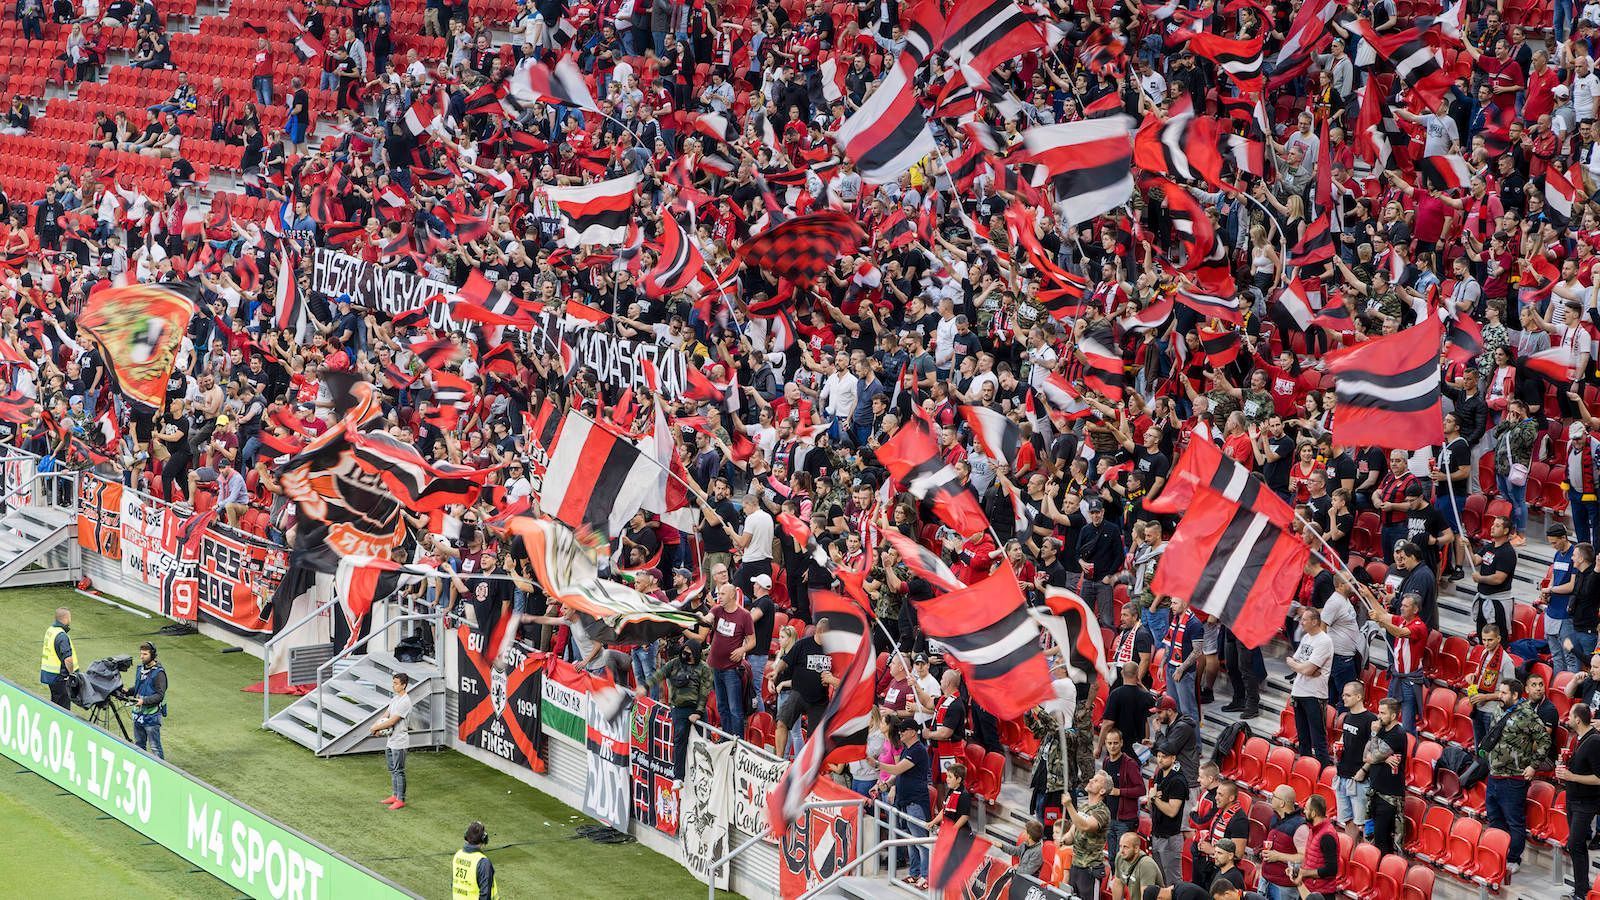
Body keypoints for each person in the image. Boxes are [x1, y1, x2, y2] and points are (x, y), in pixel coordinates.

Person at [1482, 678, 1552, 874]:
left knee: (1514, 821)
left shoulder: (1528, 715)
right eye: (1500, 692)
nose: (1500, 696)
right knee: (1495, 818)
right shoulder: (1498, 708)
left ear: (1515, 695)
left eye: (1504, 693)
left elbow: (1545, 740)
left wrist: (1533, 766)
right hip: (1494, 774)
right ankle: (1499, 853)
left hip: (1514, 778)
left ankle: (1514, 859)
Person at [876, 719, 931, 889]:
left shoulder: (918, 751)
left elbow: (897, 769)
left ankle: (926, 875)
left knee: (920, 840)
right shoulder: (908, 748)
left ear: (913, 732)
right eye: (899, 730)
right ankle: (914, 873)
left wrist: (877, 764)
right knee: (910, 839)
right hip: (905, 801)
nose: (899, 733)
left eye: (903, 730)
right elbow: (899, 774)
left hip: (916, 801)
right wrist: (887, 785)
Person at [645, 641, 711, 779]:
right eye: (684, 650)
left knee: (705, 742)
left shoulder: (704, 668)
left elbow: (704, 692)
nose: (685, 653)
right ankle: (678, 777)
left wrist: (698, 712)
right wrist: (645, 686)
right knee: (679, 740)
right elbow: (659, 675)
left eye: (689, 651)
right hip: (679, 708)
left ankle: (706, 774)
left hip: (697, 709)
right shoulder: (675, 663)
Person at [1559, 703, 1600, 893]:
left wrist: (1572, 777)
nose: (1567, 718)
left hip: (1586, 802)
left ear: (1577, 719)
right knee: (1576, 846)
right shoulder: (1578, 738)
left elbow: (1599, 778)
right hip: (1573, 798)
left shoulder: (1594, 741)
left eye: (1570, 715)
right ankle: (1581, 888)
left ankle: (1581, 891)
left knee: (1576, 845)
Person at [704, 583, 754, 741]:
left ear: (732, 595)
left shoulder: (744, 615)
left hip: (731, 669)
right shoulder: (717, 610)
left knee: (735, 709)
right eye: (719, 594)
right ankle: (726, 737)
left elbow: (752, 641)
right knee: (722, 707)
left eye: (723, 594)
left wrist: (741, 650)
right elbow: (708, 618)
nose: (719, 597)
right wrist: (702, 619)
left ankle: (738, 742)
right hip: (715, 667)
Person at [1286, 606, 1333, 765]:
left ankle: (1324, 774)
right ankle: (1306, 770)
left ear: (1314, 621)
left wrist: (1304, 668)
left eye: (1305, 619)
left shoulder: (1324, 641)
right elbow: (1291, 660)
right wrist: (1305, 668)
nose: (1301, 622)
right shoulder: (1306, 638)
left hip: (1315, 695)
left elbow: (1307, 668)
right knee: (1303, 738)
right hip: (1299, 692)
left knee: (1318, 739)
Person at [1361, 698, 1408, 854]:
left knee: (1383, 841)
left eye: (1383, 713)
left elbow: (1373, 757)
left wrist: (1374, 736)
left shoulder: (1398, 734)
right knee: (1374, 837)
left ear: (1393, 716)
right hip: (1376, 791)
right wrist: (1384, 757)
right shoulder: (1381, 729)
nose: (1378, 716)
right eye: (1378, 712)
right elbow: (1365, 756)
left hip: (1389, 796)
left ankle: (1386, 872)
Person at [1333, 681, 1374, 840]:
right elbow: (1345, 739)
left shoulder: (1370, 720)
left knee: (1363, 823)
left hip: (1359, 780)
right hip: (1342, 775)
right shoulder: (1347, 717)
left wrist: (1364, 770)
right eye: (1343, 694)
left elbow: (1376, 750)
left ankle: (1365, 859)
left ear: (1359, 697)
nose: (1344, 698)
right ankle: (1350, 855)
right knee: (1348, 821)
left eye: (1348, 695)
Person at [1063, 770, 1112, 900]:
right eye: (1092, 778)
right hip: (1075, 866)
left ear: (1102, 791)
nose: (1090, 780)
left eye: (1095, 781)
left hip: (1090, 869)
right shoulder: (1084, 806)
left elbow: (1085, 826)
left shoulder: (1102, 812)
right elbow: (1073, 833)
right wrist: (1064, 839)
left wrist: (1069, 806)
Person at [370, 672, 414, 810]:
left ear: (404, 685)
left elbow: (392, 721)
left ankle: (401, 799)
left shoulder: (405, 702)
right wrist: (376, 727)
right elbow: (386, 715)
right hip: (391, 740)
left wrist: (375, 727)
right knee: (392, 770)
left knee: (399, 770)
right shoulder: (395, 699)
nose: (393, 685)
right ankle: (395, 795)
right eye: (393, 682)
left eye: (396, 683)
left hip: (400, 741)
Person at [1146, 741, 1189, 884]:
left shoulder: (1177, 780)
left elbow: (1172, 811)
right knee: (1159, 879)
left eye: (1164, 756)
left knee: (1173, 881)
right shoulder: (1160, 775)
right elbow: (1152, 804)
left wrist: (1154, 799)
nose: (1159, 759)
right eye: (1158, 756)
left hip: (1170, 838)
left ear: (1173, 758)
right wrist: (1151, 800)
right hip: (1157, 834)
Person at [1258, 785, 1306, 900]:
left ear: (1282, 803)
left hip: (1283, 887)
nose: (1270, 797)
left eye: (1274, 796)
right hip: (1265, 880)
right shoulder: (1275, 818)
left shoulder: (1300, 826)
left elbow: (1304, 858)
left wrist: (1278, 856)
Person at [129, 640, 168, 759]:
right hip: (138, 715)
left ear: (153, 654)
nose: (142, 657)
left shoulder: (159, 673)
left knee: (155, 747)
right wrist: (128, 690)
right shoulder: (140, 669)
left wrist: (143, 701)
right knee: (139, 745)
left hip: (151, 716)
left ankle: (161, 770)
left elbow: (160, 695)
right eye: (141, 654)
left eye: (145, 654)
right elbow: (139, 687)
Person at [40, 606, 76, 709]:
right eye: (69, 617)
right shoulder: (61, 636)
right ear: (65, 619)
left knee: (55, 702)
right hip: (60, 677)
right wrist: (72, 674)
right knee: (62, 707)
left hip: (50, 676)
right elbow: (68, 659)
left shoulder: (51, 630)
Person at [1109, 831, 1163, 900]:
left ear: (1136, 849)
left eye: (1125, 847)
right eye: (1120, 846)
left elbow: (1146, 896)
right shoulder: (1120, 857)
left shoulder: (1146, 864)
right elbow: (1118, 883)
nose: (1121, 851)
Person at [452, 821, 497, 900]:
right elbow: (485, 895)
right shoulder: (483, 862)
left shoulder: (458, 855)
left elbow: (453, 884)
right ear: (484, 839)